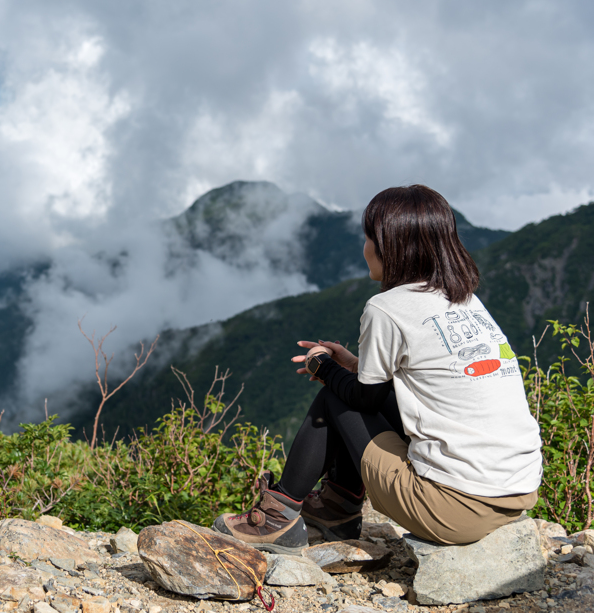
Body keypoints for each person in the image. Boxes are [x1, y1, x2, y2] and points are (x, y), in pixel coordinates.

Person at [212, 185, 542, 553]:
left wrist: (321, 366)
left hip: (453, 509)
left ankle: (277, 517)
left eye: (369, 237)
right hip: (517, 492)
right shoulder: (464, 299)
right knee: (349, 391)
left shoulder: (387, 307)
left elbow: (361, 398)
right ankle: (337, 511)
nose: (365, 247)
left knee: (334, 400)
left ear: (391, 246)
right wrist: (352, 364)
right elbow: (408, 381)